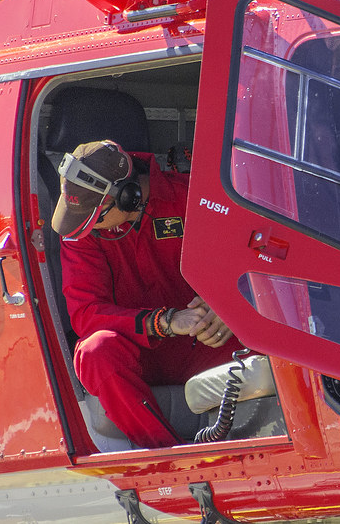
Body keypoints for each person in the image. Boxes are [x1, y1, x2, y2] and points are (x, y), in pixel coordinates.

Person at [51, 140, 242, 449]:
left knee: (278, 333)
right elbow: (86, 314)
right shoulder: (80, 233)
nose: (83, 228)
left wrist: (232, 304)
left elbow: (260, 258)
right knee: (94, 352)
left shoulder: (193, 197)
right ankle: (166, 458)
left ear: (129, 196)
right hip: (140, 355)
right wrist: (164, 322)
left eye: (95, 217)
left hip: (211, 342)